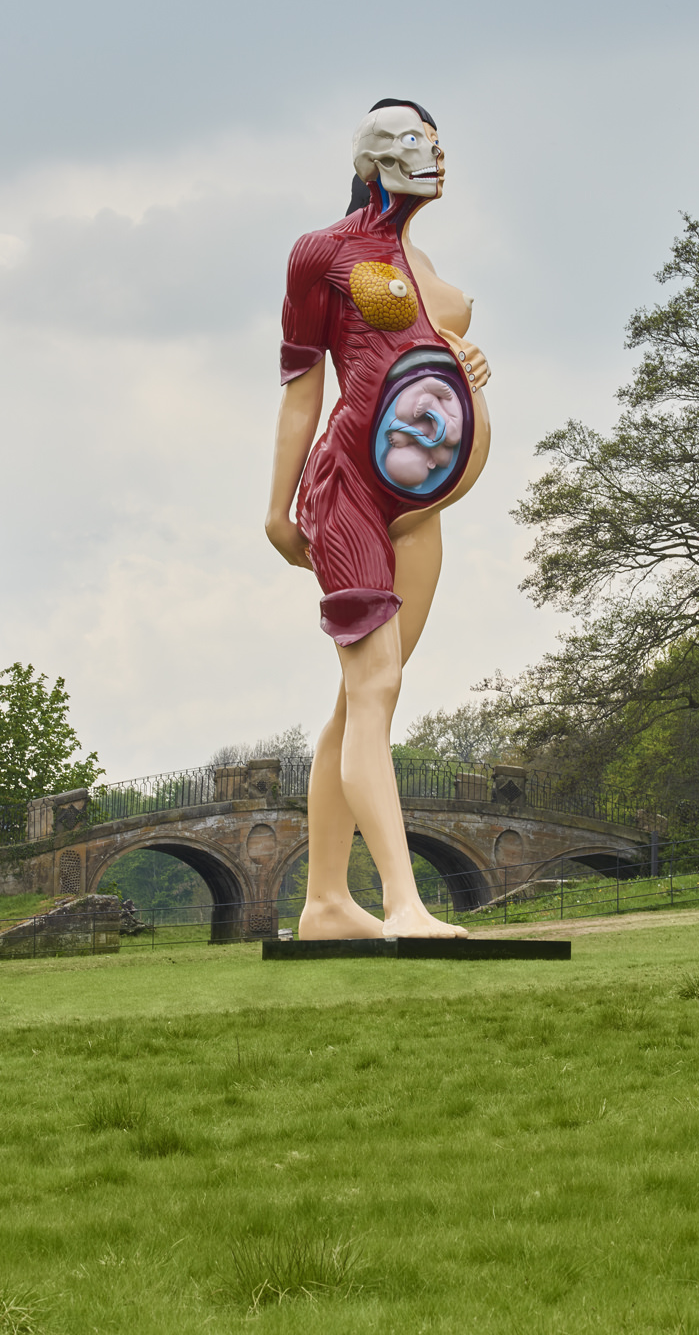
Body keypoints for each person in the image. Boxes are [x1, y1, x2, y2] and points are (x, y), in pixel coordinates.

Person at [265, 99, 491, 938]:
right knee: (377, 687)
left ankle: (325, 903)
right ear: (367, 159)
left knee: (361, 701)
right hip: (351, 492)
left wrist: (466, 359)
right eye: (403, 139)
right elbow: (301, 388)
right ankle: (403, 902)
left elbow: (425, 356)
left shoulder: (422, 262)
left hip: (419, 512)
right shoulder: (324, 253)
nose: (426, 152)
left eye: (431, 140)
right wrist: (278, 506)